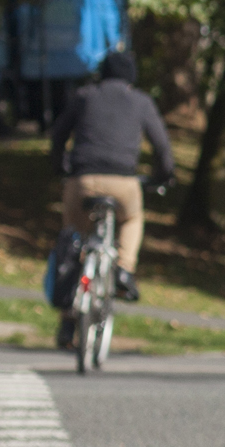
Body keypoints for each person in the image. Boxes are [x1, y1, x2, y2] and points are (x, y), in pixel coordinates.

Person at [49, 51, 175, 343]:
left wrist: (60, 166)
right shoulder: (141, 102)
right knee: (132, 218)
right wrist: (164, 176)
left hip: (83, 180)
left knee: (74, 240)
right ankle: (124, 270)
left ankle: (68, 322)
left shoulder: (84, 96)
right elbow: (162, 147)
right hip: (123, 183)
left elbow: (57, 135)